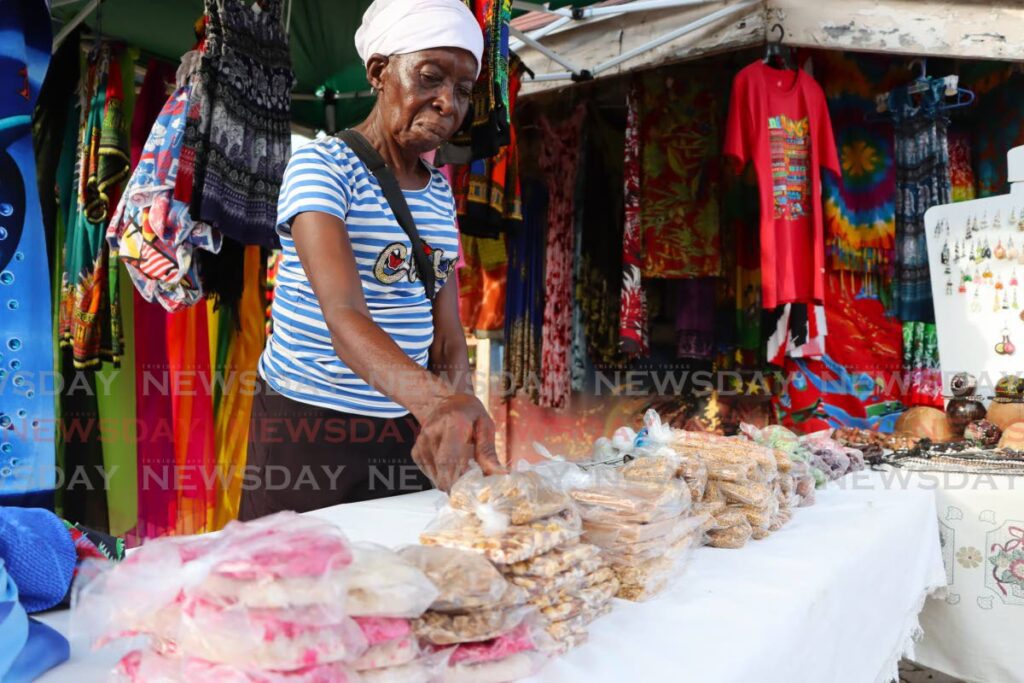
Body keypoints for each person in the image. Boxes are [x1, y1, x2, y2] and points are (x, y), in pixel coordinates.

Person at [239, 0, 503, 520]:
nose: (449, 103)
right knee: (291, 585)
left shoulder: (436, 194)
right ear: (380, 73)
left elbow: (447, 334)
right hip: (308, 425)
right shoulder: (323, 166)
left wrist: (459, 425)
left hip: (404, 423)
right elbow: (344, 316)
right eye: (430, 77)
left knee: (394, 582)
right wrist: (438, 405)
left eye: (465, 90)